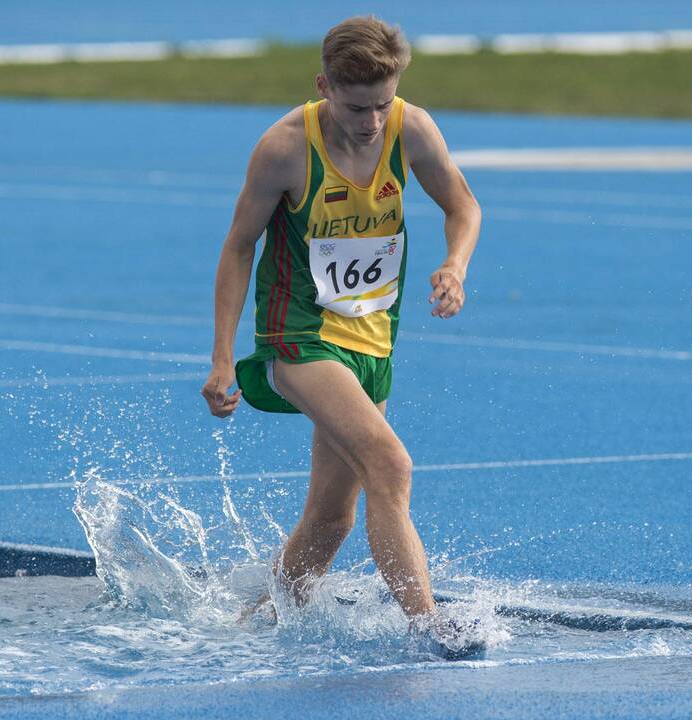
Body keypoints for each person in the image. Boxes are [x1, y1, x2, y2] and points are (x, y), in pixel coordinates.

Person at [201, 16, 481, 634]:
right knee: (390, 464)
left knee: (332, 521)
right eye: (358, 107)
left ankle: (258, 623)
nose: (373, 121)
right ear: (324, 86)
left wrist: (454, 266)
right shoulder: (284, 148)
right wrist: (223, 357)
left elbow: (462, 205)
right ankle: (428, 626)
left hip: (374, 337)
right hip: (299, 335)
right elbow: (239, 246)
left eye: (384, 103)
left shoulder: (412, 129)